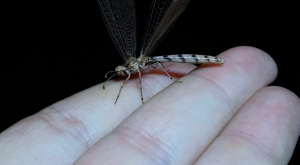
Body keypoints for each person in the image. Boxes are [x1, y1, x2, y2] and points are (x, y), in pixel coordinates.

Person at [0, 46, 299, 164]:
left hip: (177, 63)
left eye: (121, 74)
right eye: (120, 74)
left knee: (164, 68)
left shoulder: (139, 68)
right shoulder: (127, 68)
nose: (120, 75)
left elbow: (141, 78)